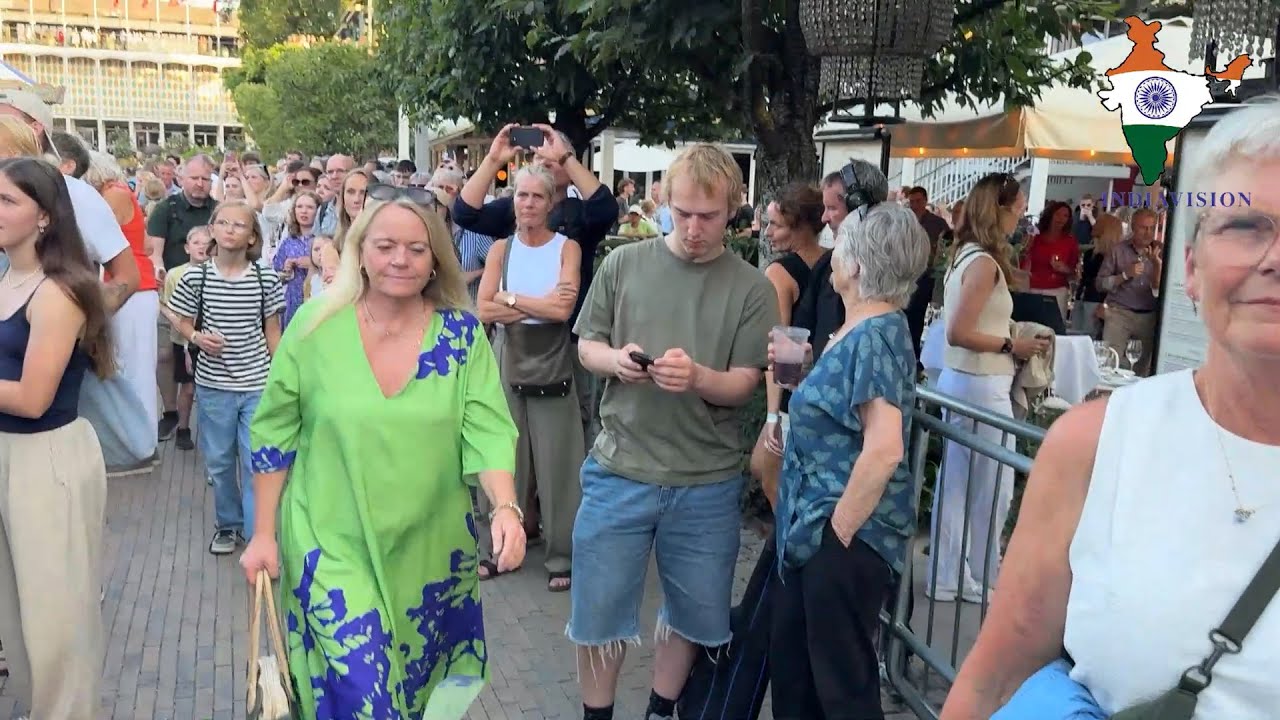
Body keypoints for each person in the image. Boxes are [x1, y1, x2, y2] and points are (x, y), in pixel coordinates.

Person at [941, 96, 1280, 720]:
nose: (1275, 258)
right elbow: (993, 679)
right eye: (1246, 226)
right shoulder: (1098, 446)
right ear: (1192, 267)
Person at [240, 195, 525, 718]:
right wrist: (263, 533)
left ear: (436, 258)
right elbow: (273, 433)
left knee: (415, 696)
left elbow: (486, 426)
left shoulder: (460, 335)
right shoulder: (313, 326)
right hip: (329, 543)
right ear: (360, 252)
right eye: (386, 246)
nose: (401, 259)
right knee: (365, 694)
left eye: (417, 249)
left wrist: (506, 507)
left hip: (429, 551)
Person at [569, 144, 778, 720]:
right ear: (664, 201)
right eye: (681, 212)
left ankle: (663, 710)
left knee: (695, 614)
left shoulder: (752, 287)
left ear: (733, 210)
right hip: (619, 467)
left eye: (707, 217)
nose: (692, 228)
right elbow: (587, 345)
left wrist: (697, 377)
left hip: (705, 479)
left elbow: (743, 385)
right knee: (597, 614)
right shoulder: (623, 265)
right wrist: (617, 363)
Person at [771, 203, 929, 720]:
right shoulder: (863, 331)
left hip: (843, 537)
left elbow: (885, 447)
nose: (832, 249)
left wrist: (836, 531)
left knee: (840, 689)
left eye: (842, 242)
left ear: (857, 266)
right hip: (821, 529)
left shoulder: (875, 335)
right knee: (803, 680)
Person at [0, 156, 113, 717]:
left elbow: (32, 397)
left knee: (55, 625)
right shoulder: (8, 279)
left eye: (6, 201)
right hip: (8, 455)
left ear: (44, 217)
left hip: (46, 459)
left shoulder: (58, 292)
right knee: (17, 621)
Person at [928, 173, 1049, 603]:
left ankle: (955, 573)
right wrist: (1011, 344)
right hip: (980, 382)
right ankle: (970, 575)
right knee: (988, 484)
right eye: (1018, 208)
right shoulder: (981, 263)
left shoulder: (968, 256)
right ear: (1000, 208)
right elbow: (959, 331)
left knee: (962, 480)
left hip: (968, 379)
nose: (1022, 216)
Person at [476, 165, 584, 591]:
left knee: (559, 465)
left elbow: (563, 312)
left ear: (551, 201)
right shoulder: (501, 249)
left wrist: (512, 298)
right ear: (512, 200)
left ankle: (562, 556)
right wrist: (536, 304)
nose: (528, 204)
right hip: (511, 359)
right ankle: (504, 548)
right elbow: (483, 309)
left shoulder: (566, 248)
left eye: (537, 197)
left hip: (554, 363)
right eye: (521, 196)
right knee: (508, 461)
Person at [167, 201, 285, 555]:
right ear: (212, 229)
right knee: (219, 462)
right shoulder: (196, 276)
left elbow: (273, 332)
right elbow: (181, 318)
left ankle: (257, 534)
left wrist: (282, 378)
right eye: (224, 223)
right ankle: (228, 525)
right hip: (214, 385)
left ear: (252, 236)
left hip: (256, 385)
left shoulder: (265, 278)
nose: (231, 229)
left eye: (240, 224)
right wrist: (196, 337)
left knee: (254, 462)